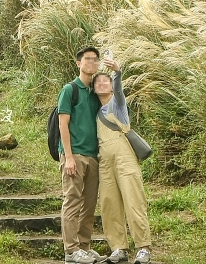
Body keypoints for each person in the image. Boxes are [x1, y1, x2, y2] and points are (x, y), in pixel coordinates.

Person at [93, 57, 152, 264]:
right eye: (97, 82)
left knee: (133, 200)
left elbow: (119, 91)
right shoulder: (94, 112)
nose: (101, 83)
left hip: (124, 155)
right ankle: (118, 248)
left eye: (105, 81)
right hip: (104, 159)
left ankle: (143, 248)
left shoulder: (117, 104)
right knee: (110, 204)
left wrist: (117, 73)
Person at [58, 47, 104, 264]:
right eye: (87, 59)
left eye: (95, 60)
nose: (92, 63)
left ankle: (84, 246)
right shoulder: (70, 90)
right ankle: (71, 251)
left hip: (93, 155)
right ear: (78, 63)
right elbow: (63, 124)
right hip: (74, 154)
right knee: (72, 200)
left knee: (89, 203)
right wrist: (68, 157)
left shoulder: (95, 92)